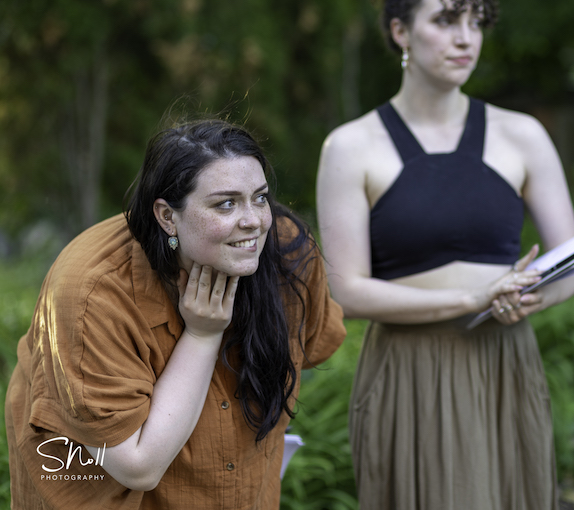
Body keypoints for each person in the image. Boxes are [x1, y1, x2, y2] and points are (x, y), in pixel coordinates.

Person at [316, 0, 574, 510]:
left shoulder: (524, 136)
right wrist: (472, 299)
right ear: (400, 32)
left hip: (505, 365)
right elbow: (346, 292)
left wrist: (531, 297)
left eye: (477, 21)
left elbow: (573, 269)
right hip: (410, 373)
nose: (466, 38)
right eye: (445, 20)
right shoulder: (351, 147)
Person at [6, 117, 346, 509]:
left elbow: (315, 345)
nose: (254, 221)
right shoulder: (93, 291)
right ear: (168, 216)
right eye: (226, 203)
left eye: (260, 197)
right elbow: (138, 467)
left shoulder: (289, 253)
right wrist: (203, 335)